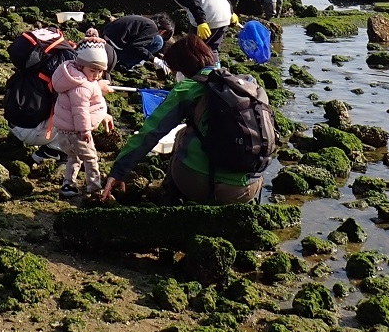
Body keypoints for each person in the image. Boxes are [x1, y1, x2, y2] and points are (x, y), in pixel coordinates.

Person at [99, 35, 269, 205]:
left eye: (175, 71)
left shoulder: (187, 88)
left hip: (201, 187)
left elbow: (151, 132)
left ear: (182, 68)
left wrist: (119, 171)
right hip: (249, 189)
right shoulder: (246, 87)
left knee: (181, 134)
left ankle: (171, 196)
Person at [48, 40, 114, 198]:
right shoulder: (83, 86)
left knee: (74, 157)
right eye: (93, 70)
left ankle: (68, 185)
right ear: (81, 66)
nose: (96, 75)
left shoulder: (72, 79)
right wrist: (84, 130)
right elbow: (80, 111)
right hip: (77, 132)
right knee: (91, 158)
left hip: (64, 132)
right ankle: (94, 188)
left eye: (100, 72)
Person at [98, 12, 175, 72]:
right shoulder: (152, 28)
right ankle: (126, 65)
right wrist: (154, 59)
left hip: (105, 40)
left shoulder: (142, 21)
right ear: (163, 31)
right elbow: (136, 46)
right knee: (158, 41)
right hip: (114, 48)